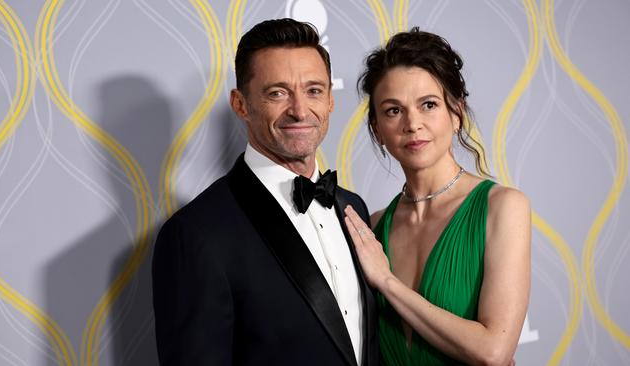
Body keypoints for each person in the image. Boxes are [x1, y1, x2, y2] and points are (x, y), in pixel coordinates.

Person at [151, 18, 378, 365]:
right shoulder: (195, 234)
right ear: (241, 104)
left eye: (314, 90)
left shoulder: (353, 208)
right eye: (278, 93)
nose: (300, 110)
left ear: (331, 99)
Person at [343, 28, 531, 365]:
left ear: (456, 113)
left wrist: (387, 282)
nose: (412, 124)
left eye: (428, 105)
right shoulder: (373, 227)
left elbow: (494, 352)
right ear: (377, 130)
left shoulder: (501, 208)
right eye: (392, 111)